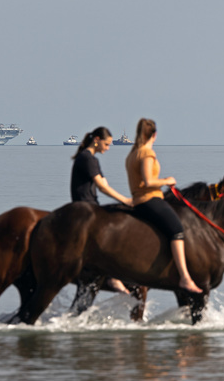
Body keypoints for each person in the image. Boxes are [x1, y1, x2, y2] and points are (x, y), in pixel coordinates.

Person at [125, 118, 203, 294]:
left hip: (138, 201)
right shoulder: (147, 154)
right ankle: (184, 277)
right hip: (149, 199)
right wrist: (168, 181)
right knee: (177, 230)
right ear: (154, 135)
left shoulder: (132, 154)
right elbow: (148, 181)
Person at [71, 126, 133, 294]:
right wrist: (126, 200)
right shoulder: (87, 158)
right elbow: (102, 188)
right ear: (96, 140)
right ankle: (113, 276)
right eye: (106, 144)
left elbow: (104, 184)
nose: (108, 148)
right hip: (86, 206)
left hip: (92, 203)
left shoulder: (92, 159)